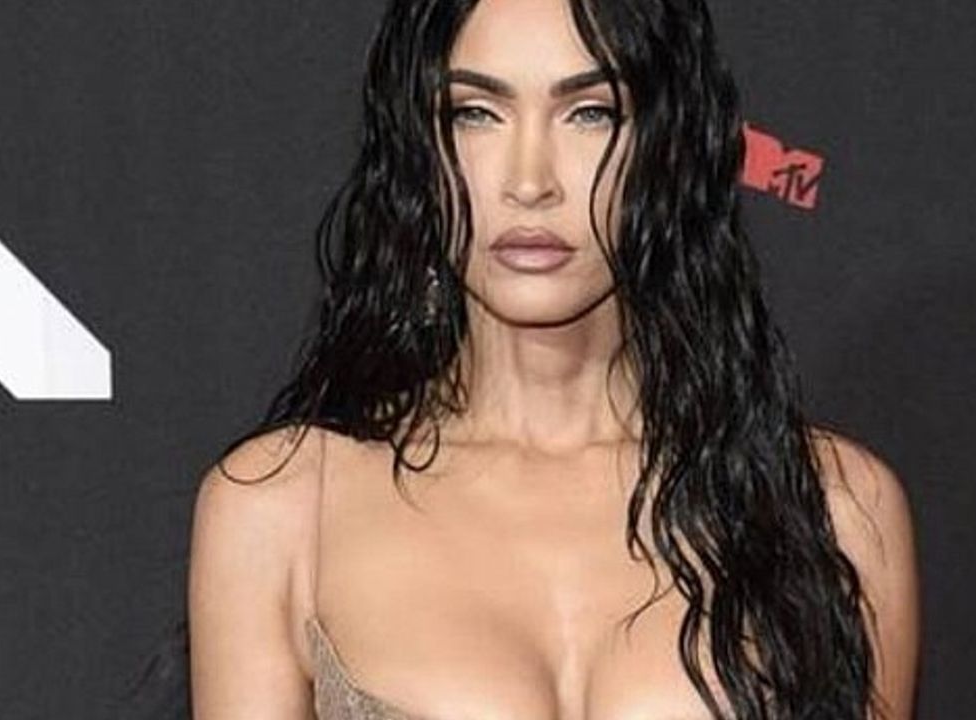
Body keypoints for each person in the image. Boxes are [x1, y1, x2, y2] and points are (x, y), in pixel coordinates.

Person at [187, 0, 919, 717]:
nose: (530, 180)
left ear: (668, 145)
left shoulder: (834, 508)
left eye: (590, 113)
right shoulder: (285, 510)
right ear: (417, 150)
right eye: (475, 113)